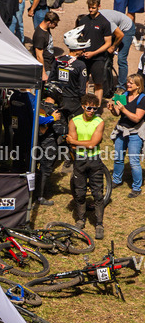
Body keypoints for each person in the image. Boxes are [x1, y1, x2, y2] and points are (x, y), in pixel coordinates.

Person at [68, 93, 108, 238]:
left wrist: (76, 142)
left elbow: (92, 144)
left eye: (95, 109)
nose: (91, 111)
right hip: (79, 160)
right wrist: (86, 144)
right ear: (83, 106)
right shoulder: (74, 121)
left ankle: (99, 223)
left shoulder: (99, 122)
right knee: (79, 193)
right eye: (89, 108)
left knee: (98, 194)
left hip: (94, 160)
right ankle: (80, 219)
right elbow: (75, 144)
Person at [109, 73, 145, 198]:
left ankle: (136, 188)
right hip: (121, 131)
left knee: (134, 161)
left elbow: (137, 118)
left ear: (138, 85)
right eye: (128, 82)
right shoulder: (123, 95)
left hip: (135, 133)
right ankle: (116, 180)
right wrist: (113, 109)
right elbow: (117, 113)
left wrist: (124, 110)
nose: (128, 84)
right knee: (118, 157)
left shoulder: (142, 98)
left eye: (131, 83)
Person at [76, 0, 115, 97]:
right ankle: (84, 105)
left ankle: (96, 108)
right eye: (89, 7)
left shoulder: (104, 22)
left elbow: (108, 43)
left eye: (93, 8)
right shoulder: (83, 20)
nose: (90, 10)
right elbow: (79, 37)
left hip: (98, 58)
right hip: (84, 57)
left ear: (99, 6)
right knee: (83, 83)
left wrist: (94, 53)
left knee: (98, 84)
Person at [101, 7, 134, 93]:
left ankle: (121, 87)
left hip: (127, 29)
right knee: (107, 56)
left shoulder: (106, 21)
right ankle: (108, 84)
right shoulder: (93, 21)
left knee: (121, 58)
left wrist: (113, 47)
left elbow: (120, 35)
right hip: (116, 30)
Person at [32, 10, 60, 83]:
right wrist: (43, 73)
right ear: (48, 22)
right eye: (55, 24)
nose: (56, 26)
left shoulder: (46, 29)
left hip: (50, 63)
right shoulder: (40, 35)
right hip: (46, 66)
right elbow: (39, 56)